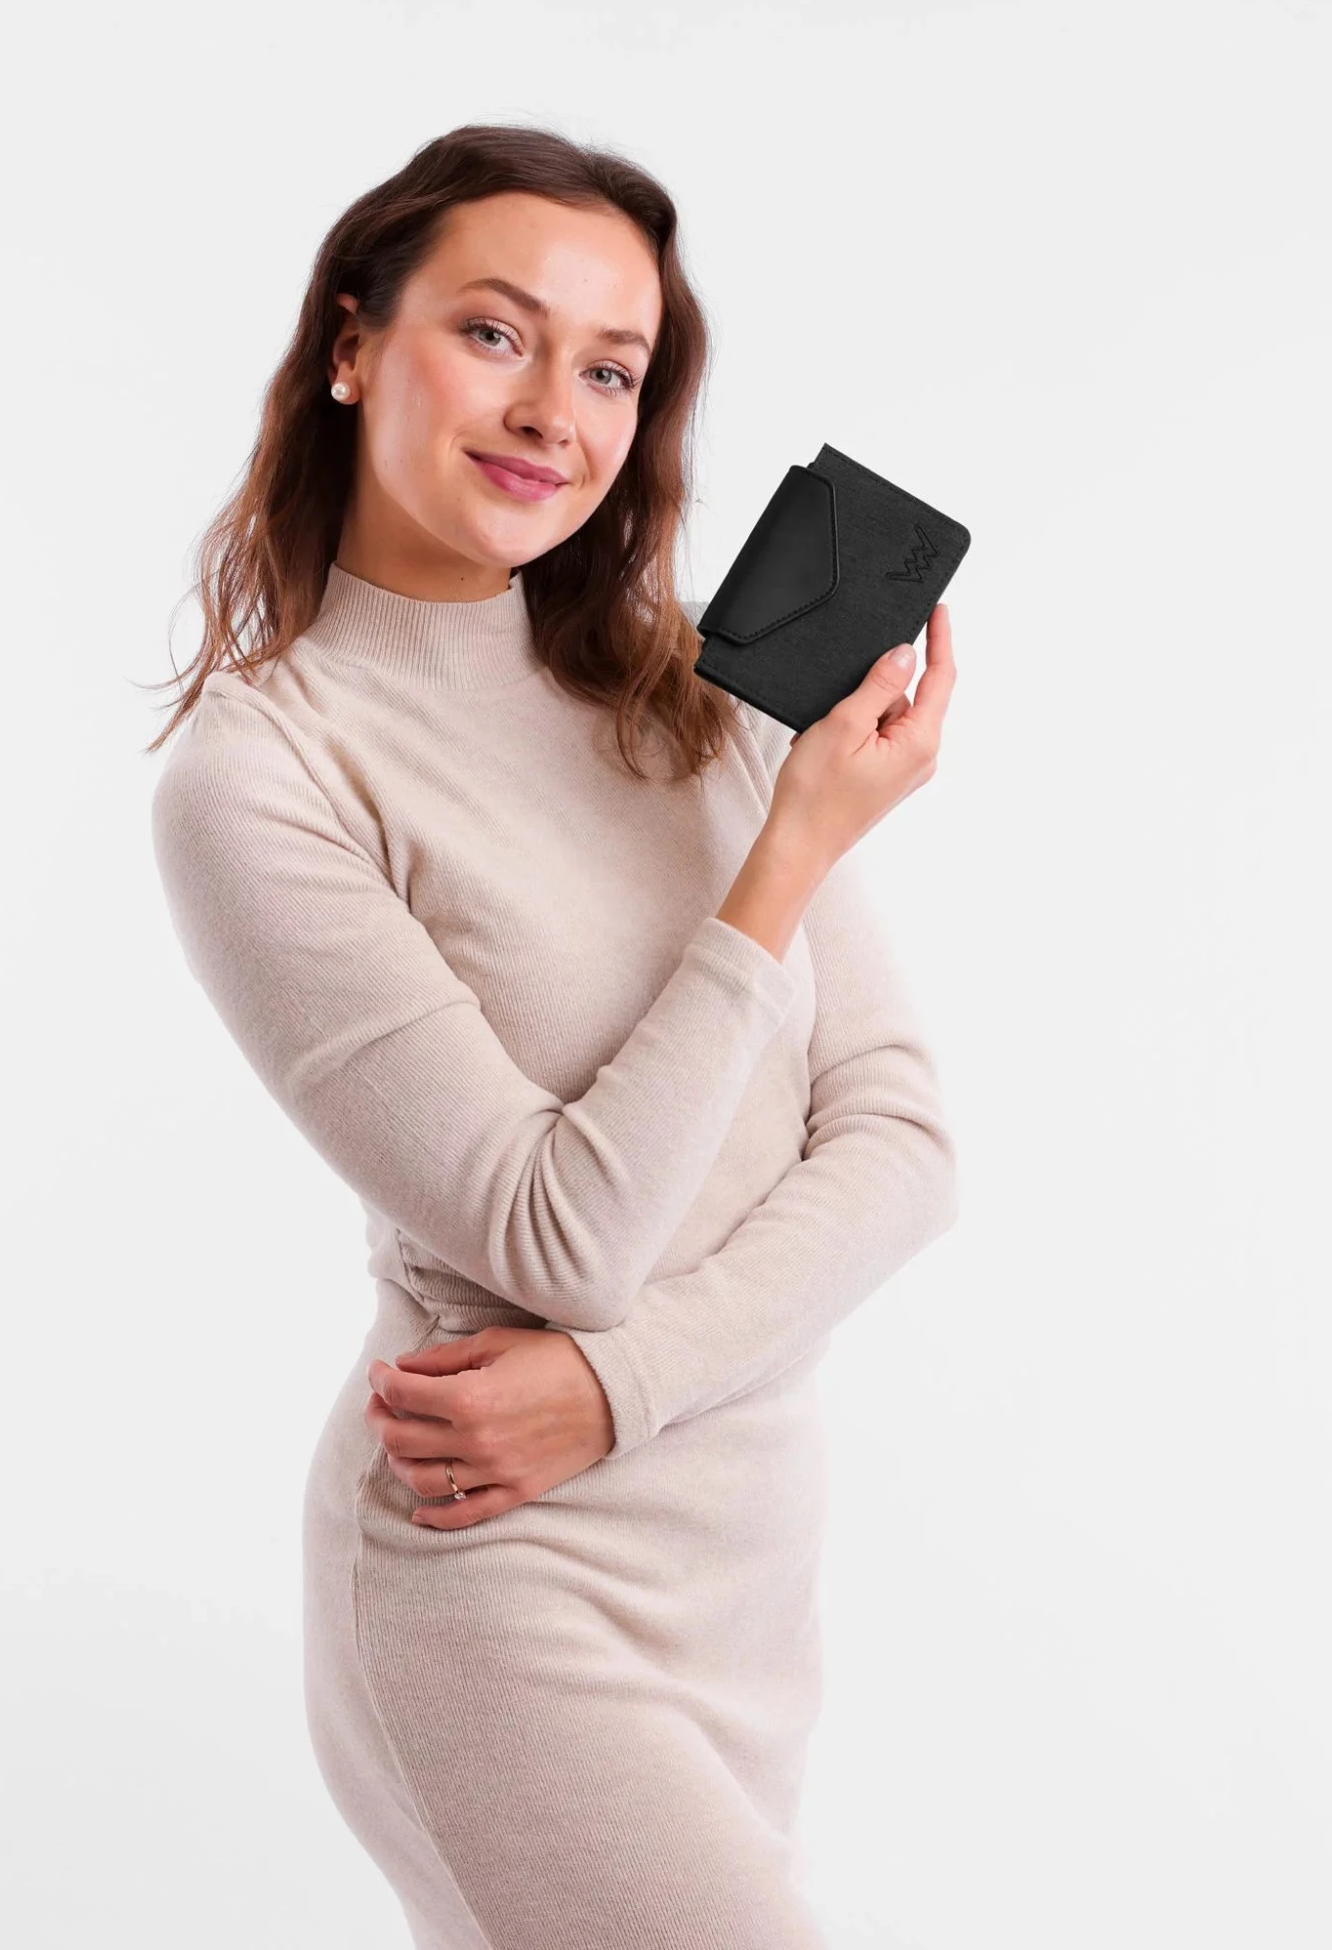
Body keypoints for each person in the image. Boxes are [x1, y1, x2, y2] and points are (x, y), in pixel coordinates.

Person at [147, 121, 958, 1950]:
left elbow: (904, 1150)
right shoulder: (266, 774)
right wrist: (787, 860)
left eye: (609, 369)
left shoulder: (691, 697)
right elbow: (555, 1238)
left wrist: (620, 1386)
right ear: (352, 344)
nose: (550, 412)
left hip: (741, 1576)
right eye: (494, 333)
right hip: (497, 1582)